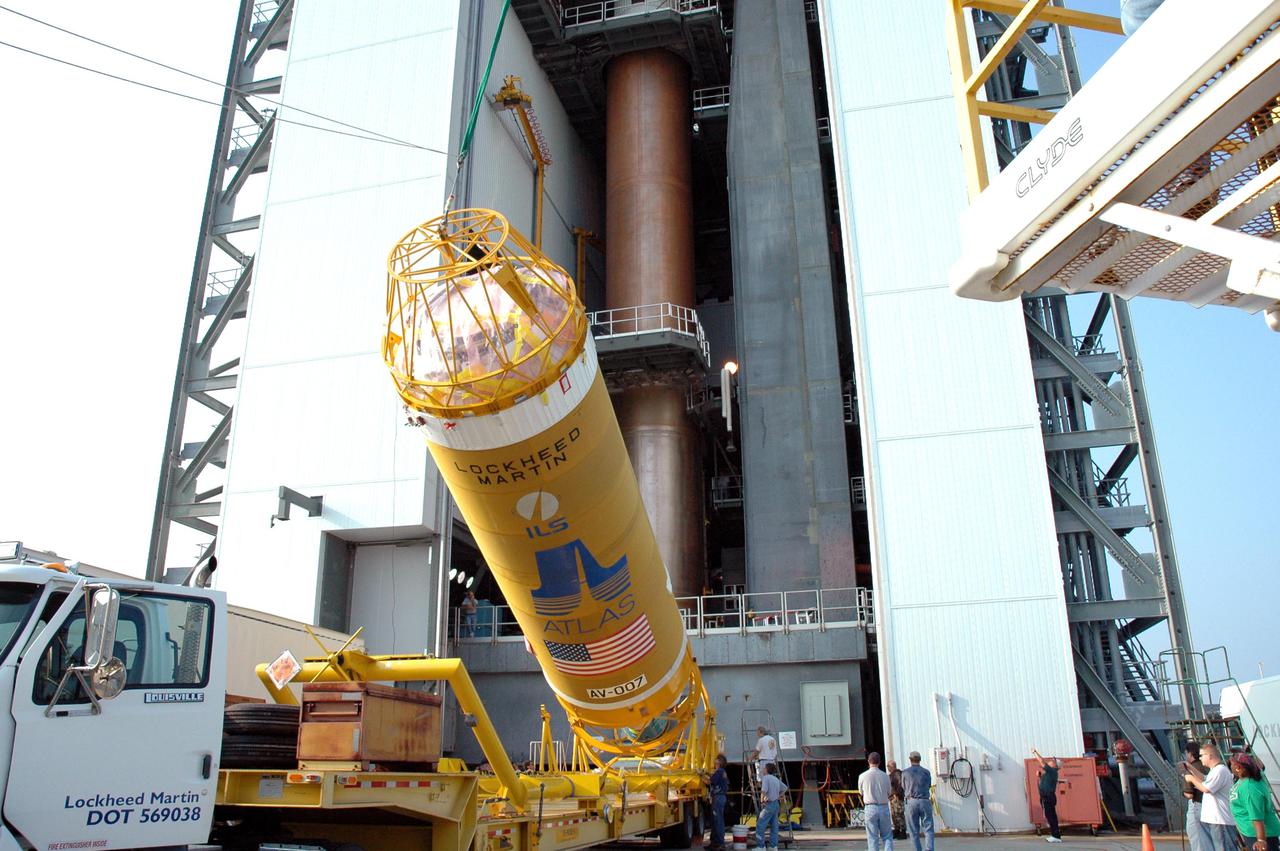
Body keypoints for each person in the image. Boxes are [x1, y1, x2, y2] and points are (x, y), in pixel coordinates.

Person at [1185, 741, 1238, 851]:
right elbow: (1205, 779)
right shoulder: (1214, 771)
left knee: (1223, 847)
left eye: (1202, 755)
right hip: (1216, 821)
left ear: (1210, 756)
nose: (1200, 758)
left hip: (1221, 821)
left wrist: (1191, 779)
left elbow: (1206, 788)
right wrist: (1191, 768)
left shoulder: (1219, 770)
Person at [1229, 752, 1280, 851]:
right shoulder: (1253, 775)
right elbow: (1260, 767)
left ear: (1238, 767)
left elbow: (1257, 817)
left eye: (1231, 764)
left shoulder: (1250, 789)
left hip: (1260, 835)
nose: (1230, 766)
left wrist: (1261, 840)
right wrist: (1249, 753)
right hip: (1250, 833)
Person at [859, 751, 894, 850]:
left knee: (872, 838)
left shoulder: (862, 776)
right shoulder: (885, 776)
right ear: (879, 762)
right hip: (883, 806)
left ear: (868, 761)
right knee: (887, 836)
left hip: (870, 808)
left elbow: (861, 792)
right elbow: (889, 792)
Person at [901, 751, 934, 851]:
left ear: (910, 759)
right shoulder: (926, 772)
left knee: (913, 830)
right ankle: (929, 849)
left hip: (911, 801)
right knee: (928, 828)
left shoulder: (905, 772)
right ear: (920, 760)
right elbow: (929, 786)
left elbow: (903, 787)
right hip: (924, 800)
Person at [1180, 741, 1210, 851]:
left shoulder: (1190, 769)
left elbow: (1189, 794)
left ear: (1190, 753)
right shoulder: (1207, 766)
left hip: (1197, 804)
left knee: (1197, 837)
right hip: (1211, 805)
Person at [1031, 748, 1062, 843]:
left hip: (1048, 796)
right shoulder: (1049, 773)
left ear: (1055, 766)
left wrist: (1035, 752)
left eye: (1053, 761)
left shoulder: (1052, 771)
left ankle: (1055, 836)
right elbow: (1044, 782)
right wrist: (1040, 776)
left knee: (1050, 816)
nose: (1050, 761)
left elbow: (1042, 762)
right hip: (1046, 796)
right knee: (1050, 816)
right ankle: (1055, 835)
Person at [756, 762, 787, 851]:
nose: (763, 769)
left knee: (760, 824)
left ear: (766, 770)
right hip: (776, 804)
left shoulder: (766, 778)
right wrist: (779, 795)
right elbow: (785, 788)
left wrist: (762, 801)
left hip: (769, 804)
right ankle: (773, 846)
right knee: (774, 826)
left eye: (764, 768)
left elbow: (763, 791)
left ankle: (760, 847)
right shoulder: (775, 779)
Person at [708, 753, 729, 851]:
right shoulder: (722, 772)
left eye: (716, 760)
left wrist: (699, 775)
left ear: (719, 762)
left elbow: (709, 782)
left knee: (718, 821)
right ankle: (715, 843)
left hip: (718, 798)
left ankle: (720, 843)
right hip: (720, 797)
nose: (714, 761)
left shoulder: (719, 771)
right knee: (716, 820)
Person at [887, 759, 907, 840]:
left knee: (899, 814)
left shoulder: (897, 774)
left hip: (897, 798)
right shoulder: (892, 774)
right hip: (893, 798)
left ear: (891, 766)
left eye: (888, 766)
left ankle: (903, 831)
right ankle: (897, 830)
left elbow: (899, 785)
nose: (887, 768)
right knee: (894, 815)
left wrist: (896, 793)